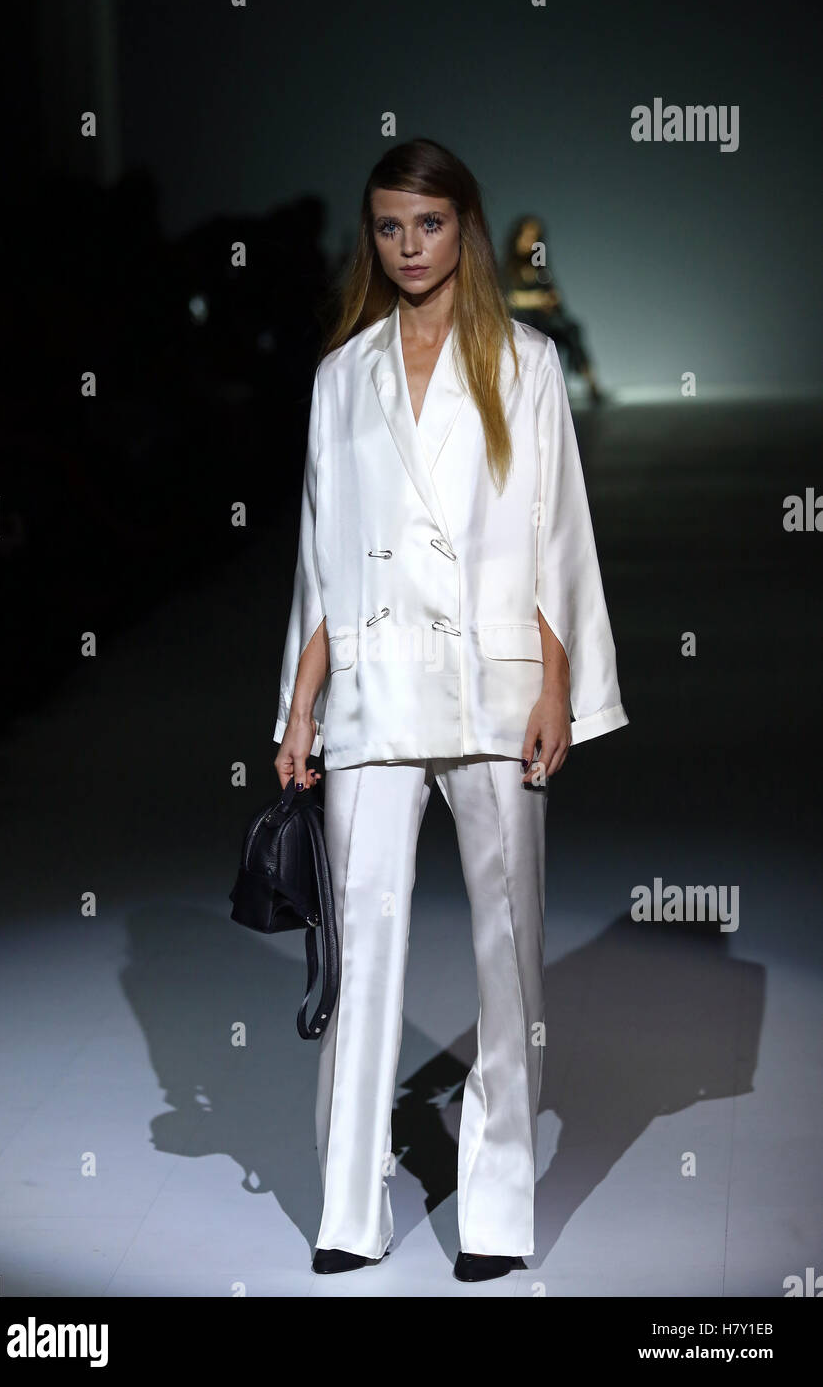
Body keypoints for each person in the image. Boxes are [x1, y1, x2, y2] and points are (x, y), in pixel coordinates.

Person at [272, 138, 628, 1282]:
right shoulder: (341, 377)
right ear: (367, 238)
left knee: (507, 954)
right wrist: (297, 707)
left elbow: (554, 536)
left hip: (491, 684)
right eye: (388, 227)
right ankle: (347, 1205)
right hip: (373, 691)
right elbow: (320, 561)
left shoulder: (519, 362)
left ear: (461, 230)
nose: (409, 248)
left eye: (427, 226)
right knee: (361, 946)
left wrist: (559, 689)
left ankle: (495, 1205)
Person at [501, 213, 605, 404]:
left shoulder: (539, 266)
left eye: (534, 238)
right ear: (517, 238)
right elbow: (507, 299)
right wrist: (536, 299)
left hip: (545, 319)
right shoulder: (506, 268)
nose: (530, 242)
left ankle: (591, 383)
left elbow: (552, 293)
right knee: (536, 331)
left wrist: (551, 299)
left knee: (572, 328)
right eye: (526, 236)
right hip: (521, 321)